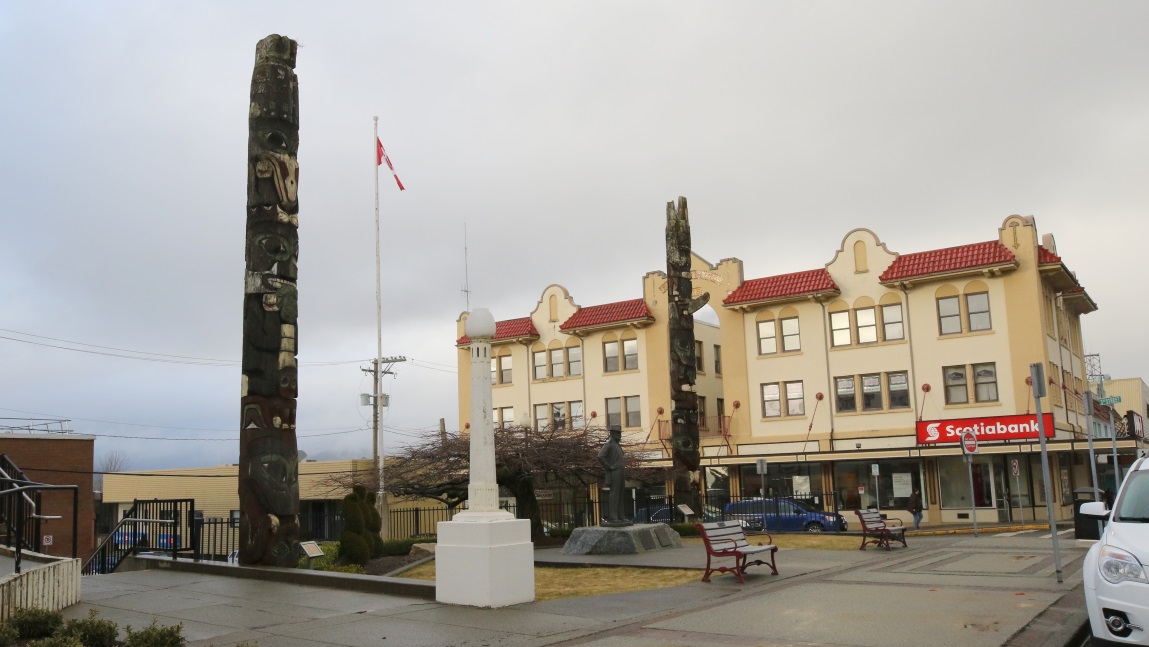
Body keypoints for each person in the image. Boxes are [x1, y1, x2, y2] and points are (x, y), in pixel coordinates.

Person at [597, 425, 631, 526]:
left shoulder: (617, 445)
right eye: (617, 433)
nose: (619, 435)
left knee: (621, 494)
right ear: (612, 433)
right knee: (615, 493)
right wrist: (609, 467)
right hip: (614, 471)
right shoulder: (609, 444)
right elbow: (600, 456)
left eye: (620, 433)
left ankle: (621, 516)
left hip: (620, 471)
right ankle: (613, 517)